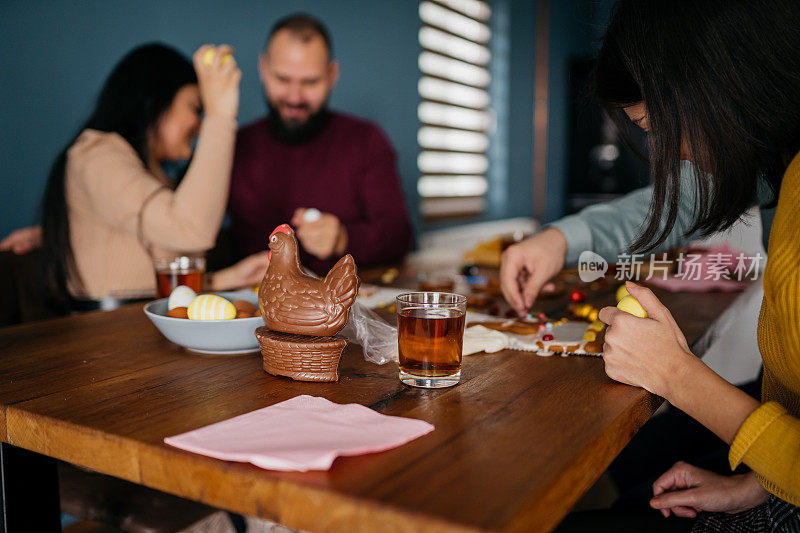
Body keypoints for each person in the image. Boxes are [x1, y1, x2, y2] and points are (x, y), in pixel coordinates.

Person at [560, 0, 800, 530]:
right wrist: (758, 482)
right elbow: (682, 200)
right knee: (640, 472)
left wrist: (673, 373)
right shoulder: (785, 165)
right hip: (775, 482)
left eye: (652, 124)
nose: (670, 153)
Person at [35, 43, 268, 310]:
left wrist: (231, 278)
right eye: (195, 108)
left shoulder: (146, 172)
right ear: (156, 101)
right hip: (106, 334)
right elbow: (192, 229)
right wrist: (220, 117)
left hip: (142, 323)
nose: (200, 124)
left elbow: (149, 279)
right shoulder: (94, 155)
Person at [228, 14, 413, 274]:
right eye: (282, 79)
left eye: (310, 82)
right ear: (263, 68)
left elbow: (401, 235)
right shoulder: (234, 146)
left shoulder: (367, 140)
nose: (294, 97)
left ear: (332, 75)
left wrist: (343, 238)